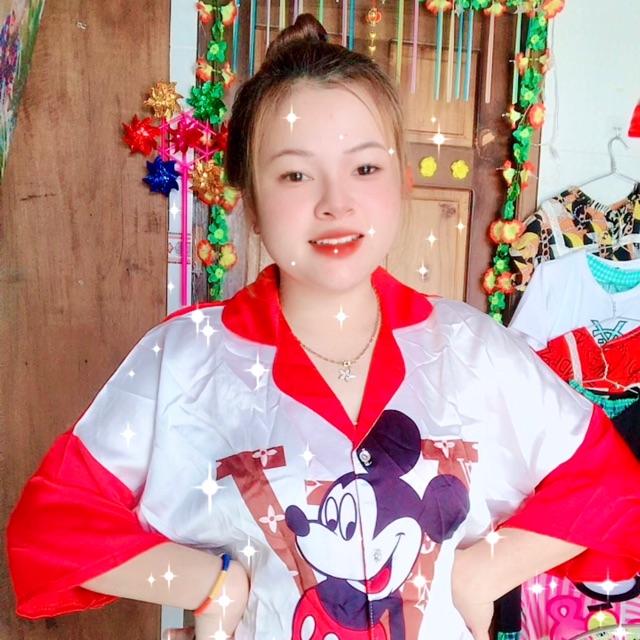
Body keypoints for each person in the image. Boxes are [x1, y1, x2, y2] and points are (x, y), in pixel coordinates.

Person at [7, 14, 640, 640]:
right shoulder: (185, 359)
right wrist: (210, 583)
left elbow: (611, 484)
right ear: (251, 201)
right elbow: (51, 527)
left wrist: (482, 573)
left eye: (364, 168)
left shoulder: (472, 349)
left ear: (400, 181)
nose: (335, 202)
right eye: (295, 174)